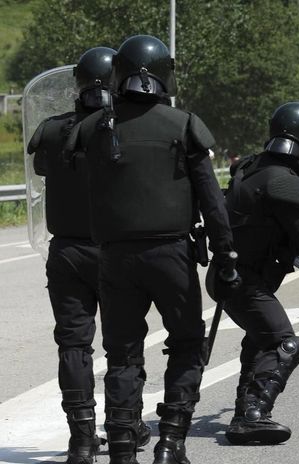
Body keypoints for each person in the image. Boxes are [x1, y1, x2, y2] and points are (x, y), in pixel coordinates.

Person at [67, 35, 238, 464]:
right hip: (171, 254)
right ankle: (171, 441)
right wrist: (226, 252)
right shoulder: (182, 124)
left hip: (115, 257)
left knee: (122, 354)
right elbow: (211, 199)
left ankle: (122, 448)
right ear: (164, 75)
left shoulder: (92, 129)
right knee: (185, 344)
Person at [27, 47, 150, 464]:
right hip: (115, 251)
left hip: (65, 251)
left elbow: (43, 168)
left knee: (73, 347)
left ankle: (81, 440)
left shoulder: (51, 130)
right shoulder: (124, 129)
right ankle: (125, 429)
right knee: (125, 347)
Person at [221, 102, 299, 445]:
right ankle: (253, 414)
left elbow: (255, 223)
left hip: (227, 274)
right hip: (245, 282)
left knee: (260, 337)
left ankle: (241, 413)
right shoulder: (287, 183)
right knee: (285, 343)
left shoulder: (249, 167)